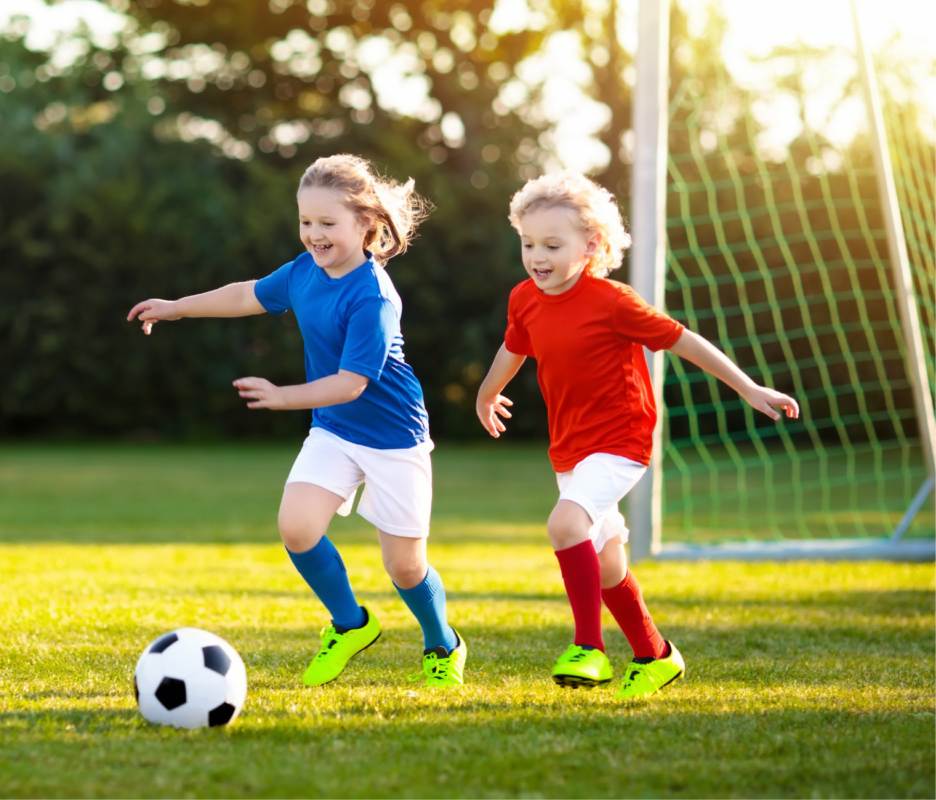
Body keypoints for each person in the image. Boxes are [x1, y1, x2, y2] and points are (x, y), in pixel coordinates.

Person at [128, 154, 466, 689]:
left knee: (404, 568)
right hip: (335, 430)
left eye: (327, 223)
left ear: (366, 225)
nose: (314, 234)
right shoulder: (304, 272)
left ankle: (441, 643)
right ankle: (351, 624)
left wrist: (284, 396)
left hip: (393, 438)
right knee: (298, 527)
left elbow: (353, 382)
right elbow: (246, 294)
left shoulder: (373, 296)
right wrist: (176, 307)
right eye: (306, 221)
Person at [474, 171, 799, 698]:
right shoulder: (525, 298)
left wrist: (748, 387)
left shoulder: (612, 301)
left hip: (621, 441)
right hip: (570, 449)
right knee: (605, 564)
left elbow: (683, 341)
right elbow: (513, 348)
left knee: (565, 524)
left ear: (592, 245)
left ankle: (589, 649)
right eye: (528, 243)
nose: (538, 255)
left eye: (552, 245)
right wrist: (486, 394)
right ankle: (656, 655)